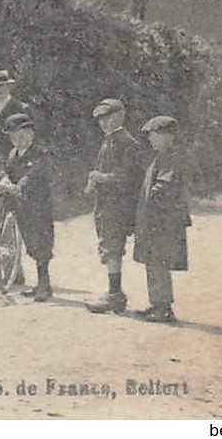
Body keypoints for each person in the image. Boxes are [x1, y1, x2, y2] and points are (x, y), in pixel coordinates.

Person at [84, 98, 148, 315]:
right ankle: (114, 293)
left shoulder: (127, 142)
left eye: (109, 117)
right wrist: (93, 181)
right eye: (101, 119)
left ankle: (115, 294)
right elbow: (102, 167)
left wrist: (101, 178)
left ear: (121, 115)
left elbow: (130, 178)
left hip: (118, 205)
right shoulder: (108, 140)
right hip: (105, 203)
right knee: (107, 246)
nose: (104, 123)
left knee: (112, 247)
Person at [133, 115, 192, 324]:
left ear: (168, 136)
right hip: (155, 220)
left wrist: (149, 202)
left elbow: (164, 187)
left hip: (162, 222)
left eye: (154, 135)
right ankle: (156, 304)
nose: (150, 139)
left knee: (158, 263)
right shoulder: (161, 157)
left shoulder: (170, 158)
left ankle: (163, 308)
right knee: (153, 262)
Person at [2, 112, 55, 302]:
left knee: (41, 243)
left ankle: (44, 285)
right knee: (30, 242)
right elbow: (8, 172)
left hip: (38, 204)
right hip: (20, 204)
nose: (18, 139)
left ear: (31, 134)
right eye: (14, 135)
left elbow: (35, 174)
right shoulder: (13, 154)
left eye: (22, 134)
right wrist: (4, 180)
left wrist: (21, 184)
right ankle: (42, 285)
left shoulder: (41, 153)